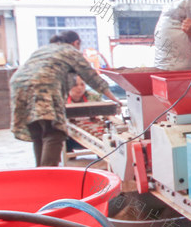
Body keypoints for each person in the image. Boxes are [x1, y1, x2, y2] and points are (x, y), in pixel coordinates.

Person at [10, 31, 121, 167]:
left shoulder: (45, 49)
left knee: (38, 132)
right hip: (43, 85)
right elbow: (91, 77)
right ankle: (48, 176)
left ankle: (39, 175)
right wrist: (115, 99)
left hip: (18, 84)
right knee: (55, 132)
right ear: (76, 43)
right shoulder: (70, 50)